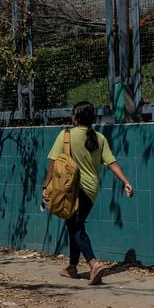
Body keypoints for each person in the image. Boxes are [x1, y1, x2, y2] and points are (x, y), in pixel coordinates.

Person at [43, 101, 133, 285]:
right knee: (73, 223)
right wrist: (126, 182)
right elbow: (111, 163)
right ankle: (72, 267)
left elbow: (52, 164)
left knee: (75, 226)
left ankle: (93, 264)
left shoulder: (65, 135)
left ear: (75, 117)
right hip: (91, 190)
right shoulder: (99, 138)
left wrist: (46, 186)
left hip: (70, 188)